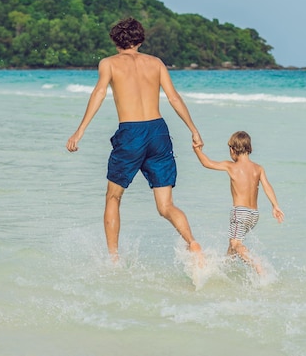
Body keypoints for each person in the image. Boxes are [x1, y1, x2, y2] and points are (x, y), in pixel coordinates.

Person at [66, 17, 204, 263]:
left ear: (115, 40)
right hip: (158, 132)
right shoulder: (156, 63)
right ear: (140, 39)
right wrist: (193, 129)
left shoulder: (108, 63)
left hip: (131, 133)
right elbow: (173, 98)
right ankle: (193, 243)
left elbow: (99, 93)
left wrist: (80, 131)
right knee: (165, 206)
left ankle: (113, 259)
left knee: (113, 197)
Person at [192, 131, 284, 274]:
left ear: (232, 150)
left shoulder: (231, 166)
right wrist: (275, 206)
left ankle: (256, 263)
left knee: (236, 244)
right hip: (253, 215)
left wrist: (196, 149)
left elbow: (207, 163)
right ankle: (224, 268)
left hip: (239, 213)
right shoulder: (258, 168)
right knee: (233, 245)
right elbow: (267, 187)